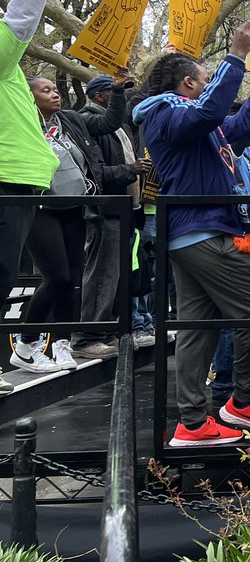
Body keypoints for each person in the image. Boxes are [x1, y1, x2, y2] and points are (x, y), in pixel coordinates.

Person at [133, 23, 250, 446]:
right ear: (189, 83)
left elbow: (240, 129)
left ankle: (192, 422)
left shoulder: (196, 124)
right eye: (205, 78)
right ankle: (243, 402)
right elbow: (211, 111)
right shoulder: (164, 113)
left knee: (197, 328)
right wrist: (237, 54)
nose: (210, 85)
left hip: (197, 230)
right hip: (204, 230)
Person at [16, 71, 132, 372]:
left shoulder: (70, 120)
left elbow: (108, 123)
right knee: (57, 278)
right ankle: (27, 344)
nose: (55, 93)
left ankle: (62, 346)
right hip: (40, 205)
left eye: (55, 89)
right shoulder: (20, 122)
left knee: (73, 279)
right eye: (46, 90)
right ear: (29, 96)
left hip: (75, 206)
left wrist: (118, 91)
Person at [0, 0, 64, 387]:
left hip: (25, 184)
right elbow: (21, 20)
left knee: (19, 275)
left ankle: (23, 350)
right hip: (9, 181)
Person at [73, 75, 149, 354]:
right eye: (114, 93)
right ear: (100, 96)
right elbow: (97, 173)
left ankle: (107, 331)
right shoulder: (88, 122)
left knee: (117, 275)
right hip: (105, 211)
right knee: (102, 273)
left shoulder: (119, 129)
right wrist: (131, 170)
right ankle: (87, 337)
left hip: (126, 210)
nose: (123, 99)